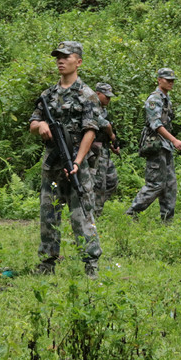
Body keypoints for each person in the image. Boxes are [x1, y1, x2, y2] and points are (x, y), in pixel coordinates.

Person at [28, 41, 102, 278]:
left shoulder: (87, 95)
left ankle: (91, 264)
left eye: (66, 56)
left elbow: (90, 131)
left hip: (77, 164)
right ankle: (47, 263)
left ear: (78, 61)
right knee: (49, 211)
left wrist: (78, 161)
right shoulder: (47, 95)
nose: (60, 61)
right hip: (52, 164)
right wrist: (40, 125)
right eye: (58, 57)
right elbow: (32, 122)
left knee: (82, 212)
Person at [125, 68, 181, 222]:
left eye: (172, 80)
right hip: (156, 146)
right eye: (167, 80)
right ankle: (132, 212)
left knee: (170, 185)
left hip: (165, 146)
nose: (170, 83)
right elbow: (156, 124)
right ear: (159, 80)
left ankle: (167, 220)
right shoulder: (154, 99)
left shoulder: (166, 98)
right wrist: (174, 140)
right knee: (155, 184)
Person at [91, 82, 120, 216]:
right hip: (93, 151)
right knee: (99, 183)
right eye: (106, 96)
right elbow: (106, 125)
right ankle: (95, 213)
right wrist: (111, 134)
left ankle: (94, 205)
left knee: (112, 180)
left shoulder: (103, 109)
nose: (108, 99)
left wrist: (112, 143)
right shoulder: (91, 107)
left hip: (103, 150)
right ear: (98, 94)